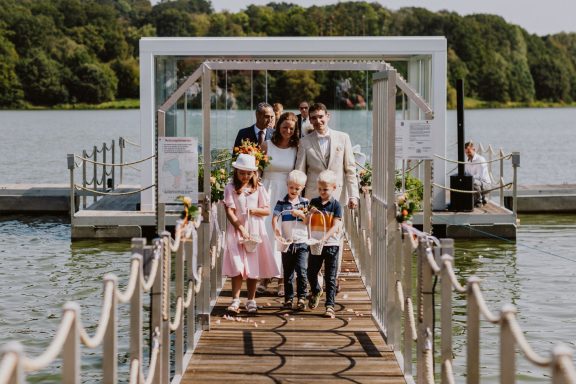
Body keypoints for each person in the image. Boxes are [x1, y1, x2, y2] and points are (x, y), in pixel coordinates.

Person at [222, 153, 281, 314]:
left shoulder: (259, 188)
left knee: (253, 264)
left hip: (255, 230)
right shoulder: (230, 188)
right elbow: (230, 211)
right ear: (236, 172)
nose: (245, 176)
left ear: (254, 173)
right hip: (237, 230)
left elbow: (267, 210)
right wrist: (240, 228)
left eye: (248, 173)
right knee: (237, 265)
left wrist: (254, 210)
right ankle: (235, 299)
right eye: (242, 173)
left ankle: (251, 299)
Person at [258, 112, 300, 296]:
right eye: (285, 127)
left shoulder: (296, 148)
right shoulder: (266, 145)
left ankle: (284, 279)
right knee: (267, 234)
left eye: (291, 128)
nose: (288, 131)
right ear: (278, 126)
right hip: (268, 191)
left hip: (287, 193)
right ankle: (265, 276)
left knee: (284, 235)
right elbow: (257, 171)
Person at [295, 102, 359, 207]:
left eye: (321, 117)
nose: (318, 121)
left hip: (338, 195)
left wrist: (353, 196)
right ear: (310, 120)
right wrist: (297, 199)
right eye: (314, 118)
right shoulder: (304, 142)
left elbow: (350, 170)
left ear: (328, 116)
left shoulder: (343, 138)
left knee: (337, 224)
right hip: (312, 196)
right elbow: (300, 173)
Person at [306, 170, 343, 318]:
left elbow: (335, 225)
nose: (322, 192)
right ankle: (316, 290)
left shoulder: (336, 205)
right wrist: (309, 214)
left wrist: (325, 238)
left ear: (334, 188)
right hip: (315, 243)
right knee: (311, 272)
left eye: (325, 189)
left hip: (331, 244)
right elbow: (305, 221)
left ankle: (330, 306)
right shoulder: (313, 202)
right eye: (320, 189)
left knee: (330, 276)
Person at [272, 170, 310, 310]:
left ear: (302, 188)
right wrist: (277, 231)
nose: (293, 190)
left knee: (301, 270)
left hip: (302, 241)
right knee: (287, 272)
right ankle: (289, 298)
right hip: (287, 242)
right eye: (291, 187)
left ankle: (301, 297)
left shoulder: (305, 203)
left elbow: (308, 222)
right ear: (287, 185)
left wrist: (300, 214)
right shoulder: (281, 203)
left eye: (297, 188)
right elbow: (275, 218)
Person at [464, 141, 491, 207]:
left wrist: (468, 179)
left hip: (486, 185)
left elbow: (480, 177)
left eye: (469, 152)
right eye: (466, 152)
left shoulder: (480, 160)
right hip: (476, 183)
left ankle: (479, 201)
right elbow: (467, 174)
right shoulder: (467, 162)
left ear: (474, 149)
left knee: (473, 182)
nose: (468, 154)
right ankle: (481, 198)